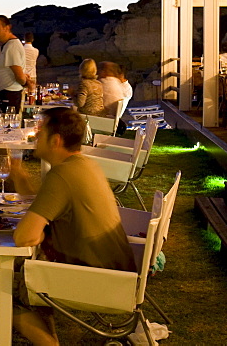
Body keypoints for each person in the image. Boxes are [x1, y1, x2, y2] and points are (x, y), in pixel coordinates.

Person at [8, 107, 136, 345]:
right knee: (24, 268)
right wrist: (21, 179)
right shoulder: (81, 165)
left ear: (55, 141)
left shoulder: (62, 176)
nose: (35, 137)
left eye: (40, 132)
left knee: (2, 290)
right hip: (116, 273)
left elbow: (23, 238)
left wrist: (36, 233)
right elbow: (50, 204)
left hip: (98, 282)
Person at [0, 15, 31, 113]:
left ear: (7, 28)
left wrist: (26, 82)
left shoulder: (12, 46)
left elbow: (19, 75)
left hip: (9, 95)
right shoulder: (9, 45)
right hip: (7, 94)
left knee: (7, 126)